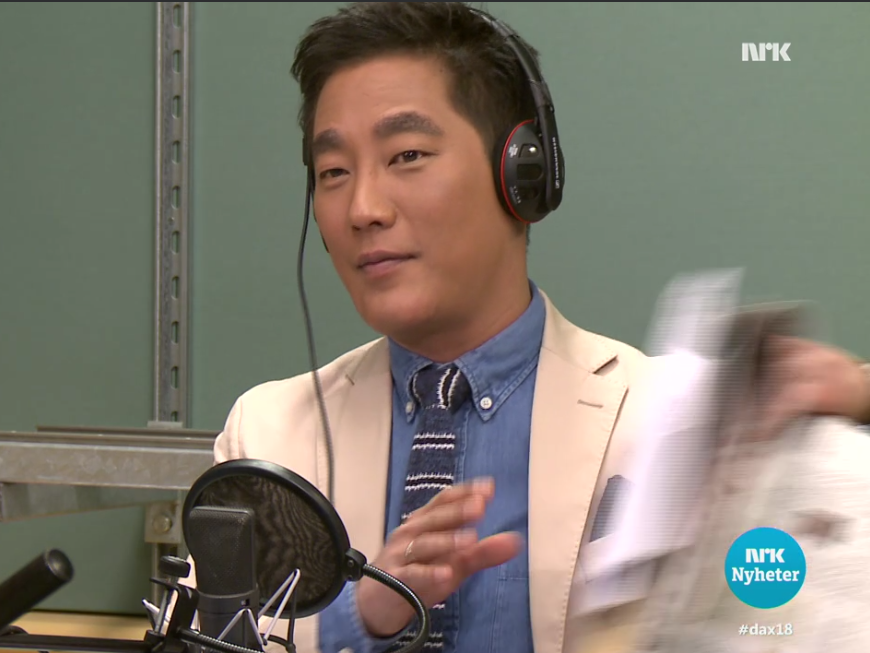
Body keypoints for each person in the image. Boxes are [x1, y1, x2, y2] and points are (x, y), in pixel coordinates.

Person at [203, 4, 870, 653]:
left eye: (406, 155)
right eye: (333, 172)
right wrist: (360, 617)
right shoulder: (269, 437)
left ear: (520, 173)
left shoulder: (676, 422)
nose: (363, 208)